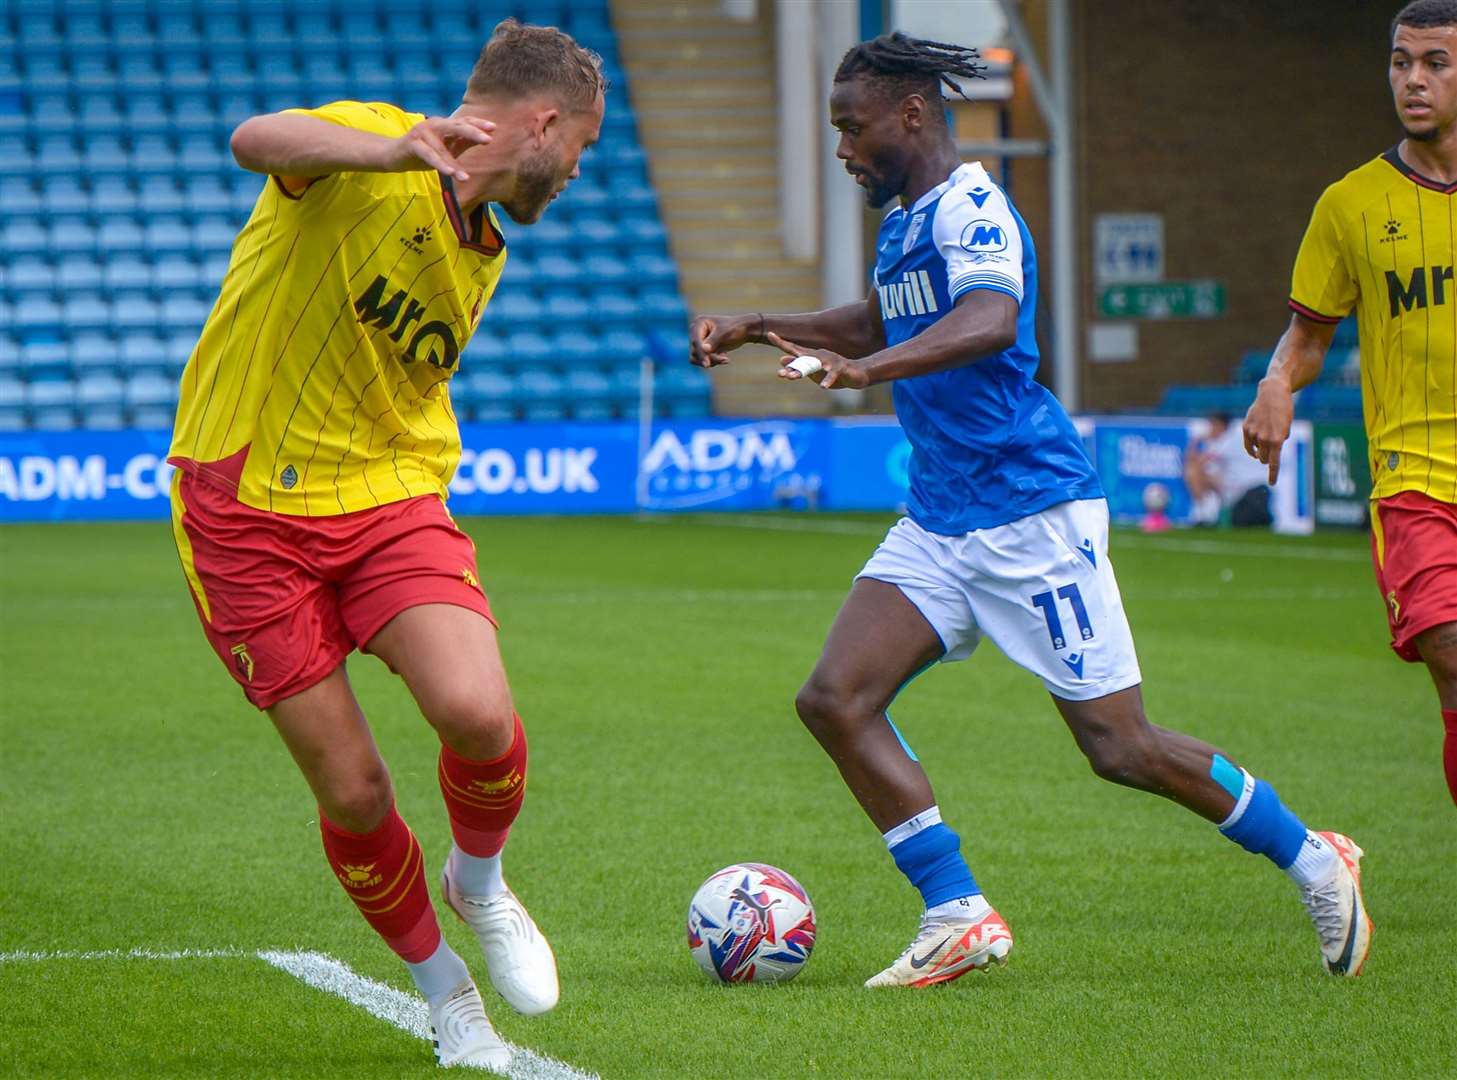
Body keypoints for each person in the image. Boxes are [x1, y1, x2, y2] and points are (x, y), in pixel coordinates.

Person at [691, 32, 1373, 987]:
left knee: (1120, 747)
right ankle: (955, 910)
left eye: (852, 128)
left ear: (912, 115)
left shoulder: (975, 208)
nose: (844, 148)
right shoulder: (904, 221)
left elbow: (986, 320)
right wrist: (762, 323)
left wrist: (865, 371)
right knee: (834, 699)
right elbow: (884, 316)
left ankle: (1311, 856)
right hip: (940, 516)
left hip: (1030, 512)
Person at [166, 20, 604, 1069]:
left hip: (387, 494)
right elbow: (255, 139)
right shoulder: (372, 142)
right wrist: (394, 146)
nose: (578, 174)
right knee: (355, 791)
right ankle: (448, 999)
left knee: (475, 711)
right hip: (242, 504)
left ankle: (480, 885)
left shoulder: (484, 242)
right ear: (540, 125)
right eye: (580, 150)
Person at [1244, 0, 1457, 809]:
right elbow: (1305, 338)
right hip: (1414, 483)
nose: (1412, 78)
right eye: (1401, 60)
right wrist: (1273, 384)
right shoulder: (1350, 204)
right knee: (1449, 646)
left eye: (1434, 62)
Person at [1185, 414, 1272, 527]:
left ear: (1220, 425)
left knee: (1193, 472)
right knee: (1204, 472)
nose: (1209, 430)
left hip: (1246, 490)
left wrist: (1196, 441)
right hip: (1248, 489)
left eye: (1212, 425)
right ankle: (1207, 513)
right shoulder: (1227, 439)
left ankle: (1205, 515)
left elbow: (1198, 462)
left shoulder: (1229, 439)